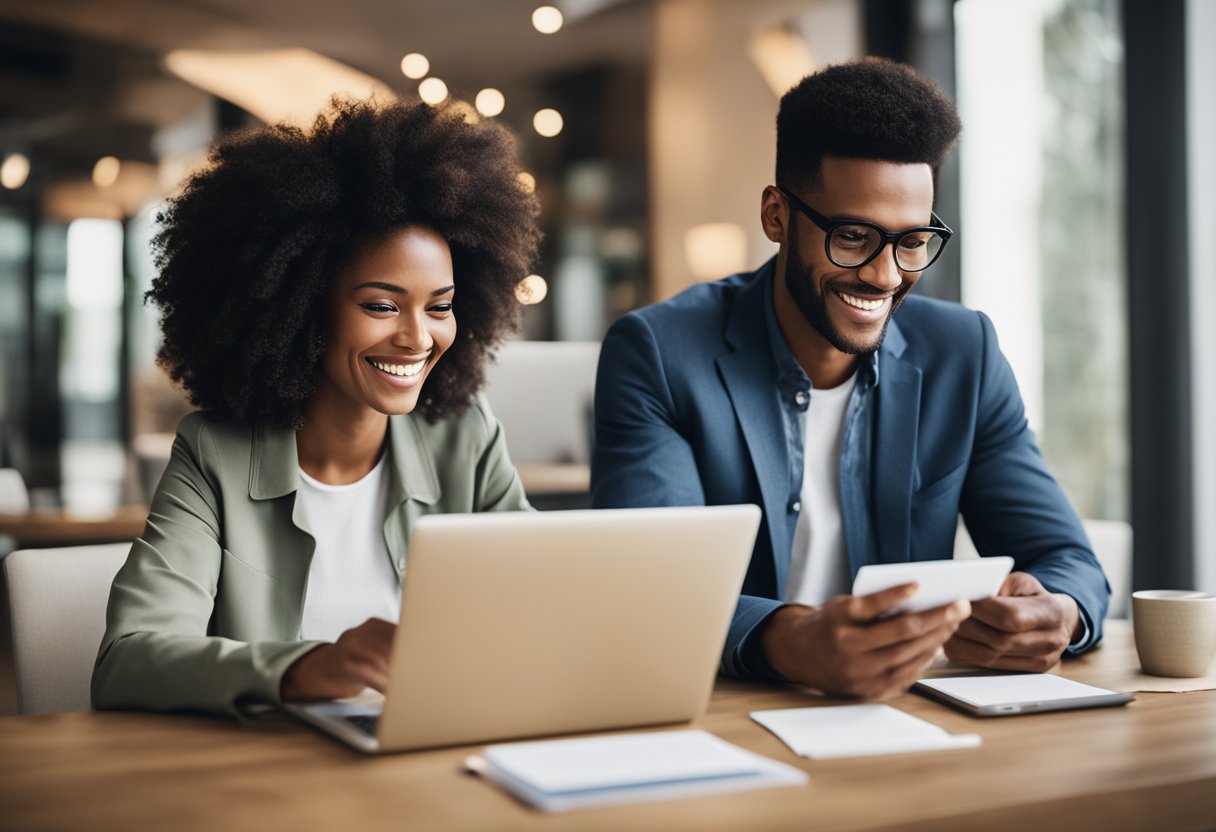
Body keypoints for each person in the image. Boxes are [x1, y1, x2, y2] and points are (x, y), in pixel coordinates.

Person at [591, 58, 1109, 699]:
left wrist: (1057, 612)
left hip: (915, 719)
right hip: (726, 715)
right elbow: (646, 589)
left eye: (912, 241)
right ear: (776, 217)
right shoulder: (659, 354)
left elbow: (1069, 561)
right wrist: (791, 641)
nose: (886, 276)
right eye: (854, 236)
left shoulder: (964, 354)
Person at [92, 98, 540, 715]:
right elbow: (129, 661)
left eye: (439, 305)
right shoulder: (213, 455)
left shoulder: (466, 435)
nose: (418, 336)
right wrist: (306, 666)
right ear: (303, 310)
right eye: (382, 306)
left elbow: (543, 609)